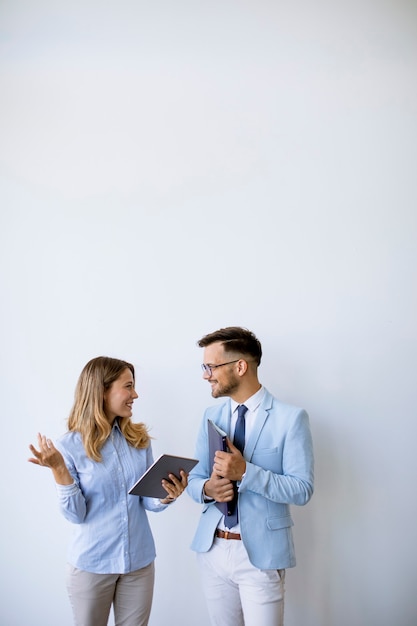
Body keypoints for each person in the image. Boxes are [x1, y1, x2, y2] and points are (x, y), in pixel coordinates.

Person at [28, 356, 188, 626]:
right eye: (128, 386)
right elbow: (76, 515)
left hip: (139, 563)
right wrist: (59, 469)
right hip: (93, 567)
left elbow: (146, 501)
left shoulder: (138, 440)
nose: (135, 394)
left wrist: (167, 494)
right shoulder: (68, 447)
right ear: (102, 391)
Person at [187, 327, 314, 626]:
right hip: (213, 549)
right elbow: (194, 480)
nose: (206, 375)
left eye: (211, 366)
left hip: (260, 556)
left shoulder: (290, 419)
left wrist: (245, 472)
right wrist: (207, 488)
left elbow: (302, 489)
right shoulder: (210, 416)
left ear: (240, 366)